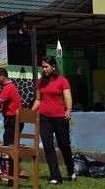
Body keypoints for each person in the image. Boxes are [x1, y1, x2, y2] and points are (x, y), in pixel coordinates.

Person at [32, 56, 75, 185]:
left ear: (53, 67)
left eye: (46, 66)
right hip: (44, 116)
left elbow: (67, 96)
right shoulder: (40, 82)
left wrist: (68, 109)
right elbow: (38, 100)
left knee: (63, 144)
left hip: (59, 116)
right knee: (48, 146)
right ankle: (55, 176)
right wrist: (30, 111)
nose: (44, 69)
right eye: (43, 67)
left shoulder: (62, 81)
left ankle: (71, 169)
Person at [0, 67, 23, 146]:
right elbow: (0, 104)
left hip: (13, 119)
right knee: (9, 141)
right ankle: (14, 157)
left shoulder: (8, 87)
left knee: (8, 142)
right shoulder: (9, 87)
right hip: (14, 119)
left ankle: (14, 158)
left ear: (2, 76)